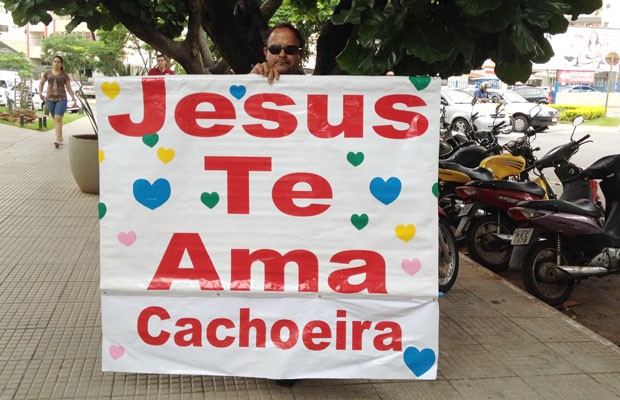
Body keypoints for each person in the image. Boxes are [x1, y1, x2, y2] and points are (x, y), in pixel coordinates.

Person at [38, 55, 78, 149]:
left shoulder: (64, 75)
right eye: (55, 61)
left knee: (58, 118)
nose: (56, 63)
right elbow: (41, 83)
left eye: (58, 62)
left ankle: (58, 140)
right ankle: (60, 137)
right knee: (55, 119)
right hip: (49, 99)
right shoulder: (47, 73)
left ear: (61, 64)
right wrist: (40, 93)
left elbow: (68, 88)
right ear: (52, 63)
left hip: (62, 99)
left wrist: (74, 98)